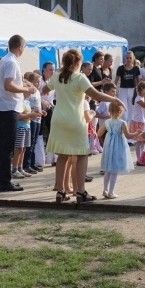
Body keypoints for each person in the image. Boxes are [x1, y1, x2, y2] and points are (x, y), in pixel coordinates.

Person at [43, 49, 124, 203]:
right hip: (75, 119)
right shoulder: (80, 78)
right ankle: (80, 192)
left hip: (58, 119)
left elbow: (44, 89)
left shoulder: (58, 76)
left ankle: (60, 191)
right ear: (78, 63)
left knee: (62, 155)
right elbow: (96, 95)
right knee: (81, 155)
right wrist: (115, 100)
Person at [0, 35, 39, 192]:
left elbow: (10, 82)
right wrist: (27, 89)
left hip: (6, 105)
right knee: (7, 146)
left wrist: (24, 83)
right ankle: (5, 182)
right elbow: (8, 85)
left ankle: (2, 180)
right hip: (9, 106)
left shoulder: (5, 60)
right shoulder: (11, 62)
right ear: (20, 47)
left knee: (5, 146)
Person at [97, 100, 135, 199]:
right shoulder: (122, 123)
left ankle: (105, 190)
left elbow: (99, 133)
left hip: (109, 145)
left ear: (109, 111)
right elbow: (127, 135)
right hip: (118, 146)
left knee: (107, 170)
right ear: (120, 111)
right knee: (115, 170)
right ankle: (111, 192)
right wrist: (136, 133)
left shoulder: (107, 122)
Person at [21, 72, 44, 175]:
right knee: (30, 142)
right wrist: (33, 113)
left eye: (39, 82)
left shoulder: (37, 92)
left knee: (34, 142)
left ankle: (32, 163)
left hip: (38, 118)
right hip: (31, 119)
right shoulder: (29, 93)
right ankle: (26, 164)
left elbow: (38, 105)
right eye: (37, 82)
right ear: (31, 82)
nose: (38, 84)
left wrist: (41, 111)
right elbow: (27, 105)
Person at [114, 51, 140, 120]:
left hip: (132, 90)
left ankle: (129, 128)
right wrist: (114, 90)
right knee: (123, 110)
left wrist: (139, 91)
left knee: (131, 111)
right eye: (127, 58)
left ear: (133, 58)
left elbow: (139, 81)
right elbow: (116, 81)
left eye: (130, 58)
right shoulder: (120, 68)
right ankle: (124, 125)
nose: (128, 60)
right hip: (123, 90)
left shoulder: (136, 68)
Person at [129, 81, 145, 166]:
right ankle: (139, 160)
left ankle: (142, 158)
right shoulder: (138, 98)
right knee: (139, 141)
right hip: (138, 121)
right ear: (142, 90)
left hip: (143, 120)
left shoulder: (141, 98)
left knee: (143, 142)